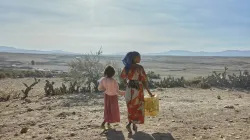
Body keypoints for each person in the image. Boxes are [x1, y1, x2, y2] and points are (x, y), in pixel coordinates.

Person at [120, 51, 154, 134]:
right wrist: (149, 92)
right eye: (139, 57)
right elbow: (144, 81)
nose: (140, 58)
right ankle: (130, 124)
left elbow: (123, 77)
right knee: (137, 107)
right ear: (134, 58)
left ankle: (133, 124)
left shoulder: (127, 67)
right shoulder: (139, 68)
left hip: (129, 89)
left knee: (130, 107)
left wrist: (127, 84)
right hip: (137, 89)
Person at [98, 65, 125, 129]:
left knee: (107, 109)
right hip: (113, 97)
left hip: (107, 96)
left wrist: (105, 89)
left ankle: (108, 123)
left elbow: (99, 88)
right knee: (113, 110)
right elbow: (117, 91)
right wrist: (125, 93)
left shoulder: (103, 80)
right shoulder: (114, 81)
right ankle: (103, 123)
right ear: (113, 73)